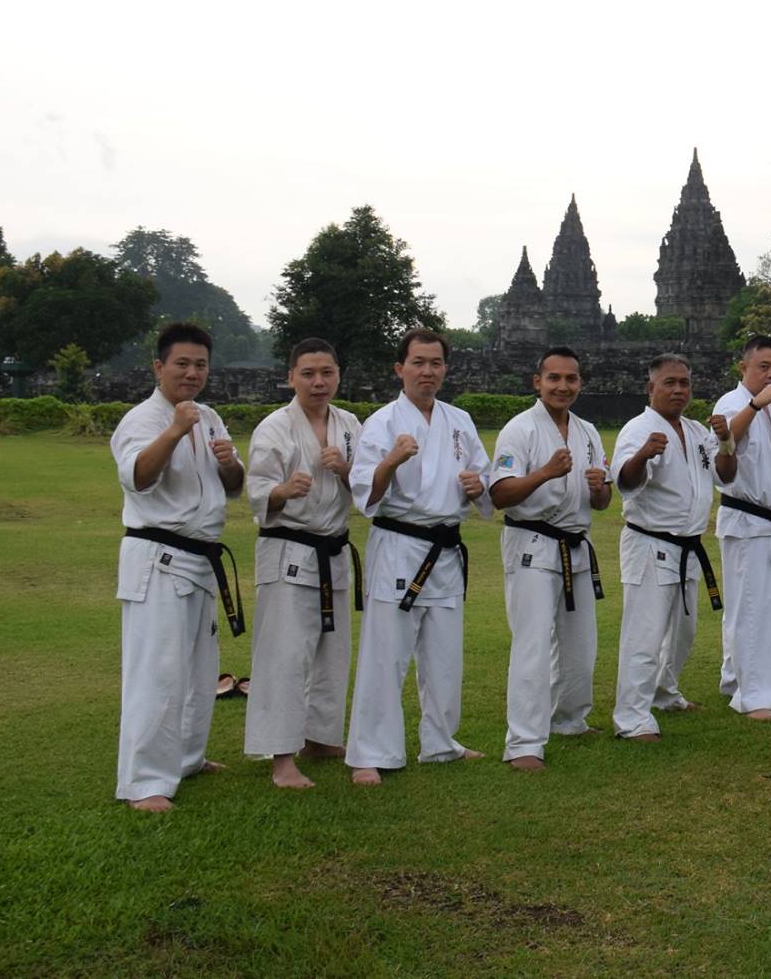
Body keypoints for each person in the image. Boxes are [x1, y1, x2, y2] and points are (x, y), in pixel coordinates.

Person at [345, 329, 490, 784]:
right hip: (399, 548)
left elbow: (483, 480)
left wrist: (477, 487)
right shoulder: (383, 422)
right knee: (386, 655)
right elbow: (364, 494)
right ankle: (370, 753)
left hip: (445, 552)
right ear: (400, 368)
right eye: (418, 363)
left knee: (444, 656)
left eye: (435, 363)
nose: (427, 371)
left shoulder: (460, 420)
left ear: (445, 369)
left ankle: (441, 743)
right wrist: (391, 460)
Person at [110, 322, 245, 811]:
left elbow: (234, 485)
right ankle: (144, 783)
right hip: (158, 558)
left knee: (198, 671)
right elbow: (138, 477)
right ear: (159, 367)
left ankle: (188, 758)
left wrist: (228, 462)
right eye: (182, 363)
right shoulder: (141, 420)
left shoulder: (209, 417)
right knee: (157, 673)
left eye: (200, 365)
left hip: (200, 558)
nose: (192, 373)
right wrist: (173, 430)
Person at [244, 337, 361, 790]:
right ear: (291, 376)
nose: (318, 382)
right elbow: (257, 492)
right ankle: (281, 758)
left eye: (327, 373)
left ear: (338, 376)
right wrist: (282, 491)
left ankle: (321, 738)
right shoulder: (275, 427)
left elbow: (367, 488)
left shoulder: (349, 424)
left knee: (333, 651)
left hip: (333, 550)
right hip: (288, 552)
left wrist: (346, 470)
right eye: (308, 374)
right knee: (284, 655)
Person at [487, 346, 612, 770]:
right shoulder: (519, 430)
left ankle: (569, 719)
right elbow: (500, 494)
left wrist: (599, 488)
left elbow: (603, 503)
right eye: (554, 378)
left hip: (576, 546)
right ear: (537, 382)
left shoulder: (588, 432)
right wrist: (544, 473)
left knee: (581, 644)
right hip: (532, 544)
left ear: (580, 383)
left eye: (571, 378)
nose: (563, 386)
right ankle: (523, 742)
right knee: (533, 645)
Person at [611, 354, 721, 742]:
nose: (678, 390)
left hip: (688, 545)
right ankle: (631, 718)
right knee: (644, 634)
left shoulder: (695, 430)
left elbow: (724, 474)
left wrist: (728, 442)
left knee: (682, 632)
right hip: (650, 543)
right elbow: (625, 481)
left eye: (684, 383)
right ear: (651, 388)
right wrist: (642, 455)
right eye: (669, 383)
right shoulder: (638, 429)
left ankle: (664, 692)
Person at [711, 334, 771, 721]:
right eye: (763, 366)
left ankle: (734, 680)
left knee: (749, 607)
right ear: (743, 367)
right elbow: (727, 441)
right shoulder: (732, 403)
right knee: (755, 610)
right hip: (747, 520)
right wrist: (754, 405)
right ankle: (754, 698)